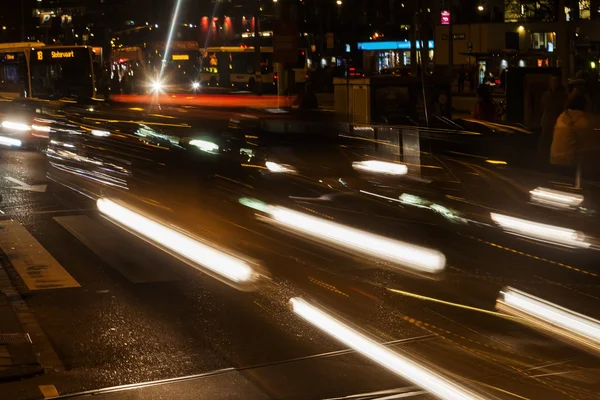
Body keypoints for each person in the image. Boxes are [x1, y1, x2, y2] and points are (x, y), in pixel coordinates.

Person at [550, 93, 594, 167]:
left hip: (554, 159)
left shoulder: (561, 116)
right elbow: (589, 142)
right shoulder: (582, 120)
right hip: (570, 163)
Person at [538, 76, 567, 165]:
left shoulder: (561, 95)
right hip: (548, 120)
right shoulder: (547, 94)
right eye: (552, 81)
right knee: (545, 140)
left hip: (555, 120)